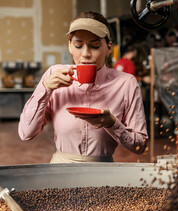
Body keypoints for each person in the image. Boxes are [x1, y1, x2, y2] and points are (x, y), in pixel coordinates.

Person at [18, 11, 148, 163]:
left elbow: (140, 146)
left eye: (95, 45)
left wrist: (112, 124)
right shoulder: (54, 74)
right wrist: (45, 89)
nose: (85, 54)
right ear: (70, 47)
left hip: (103, 172)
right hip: (60, 170)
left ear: (108, 48)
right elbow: (26, 134)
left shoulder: (126, 83)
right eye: (78, 45)